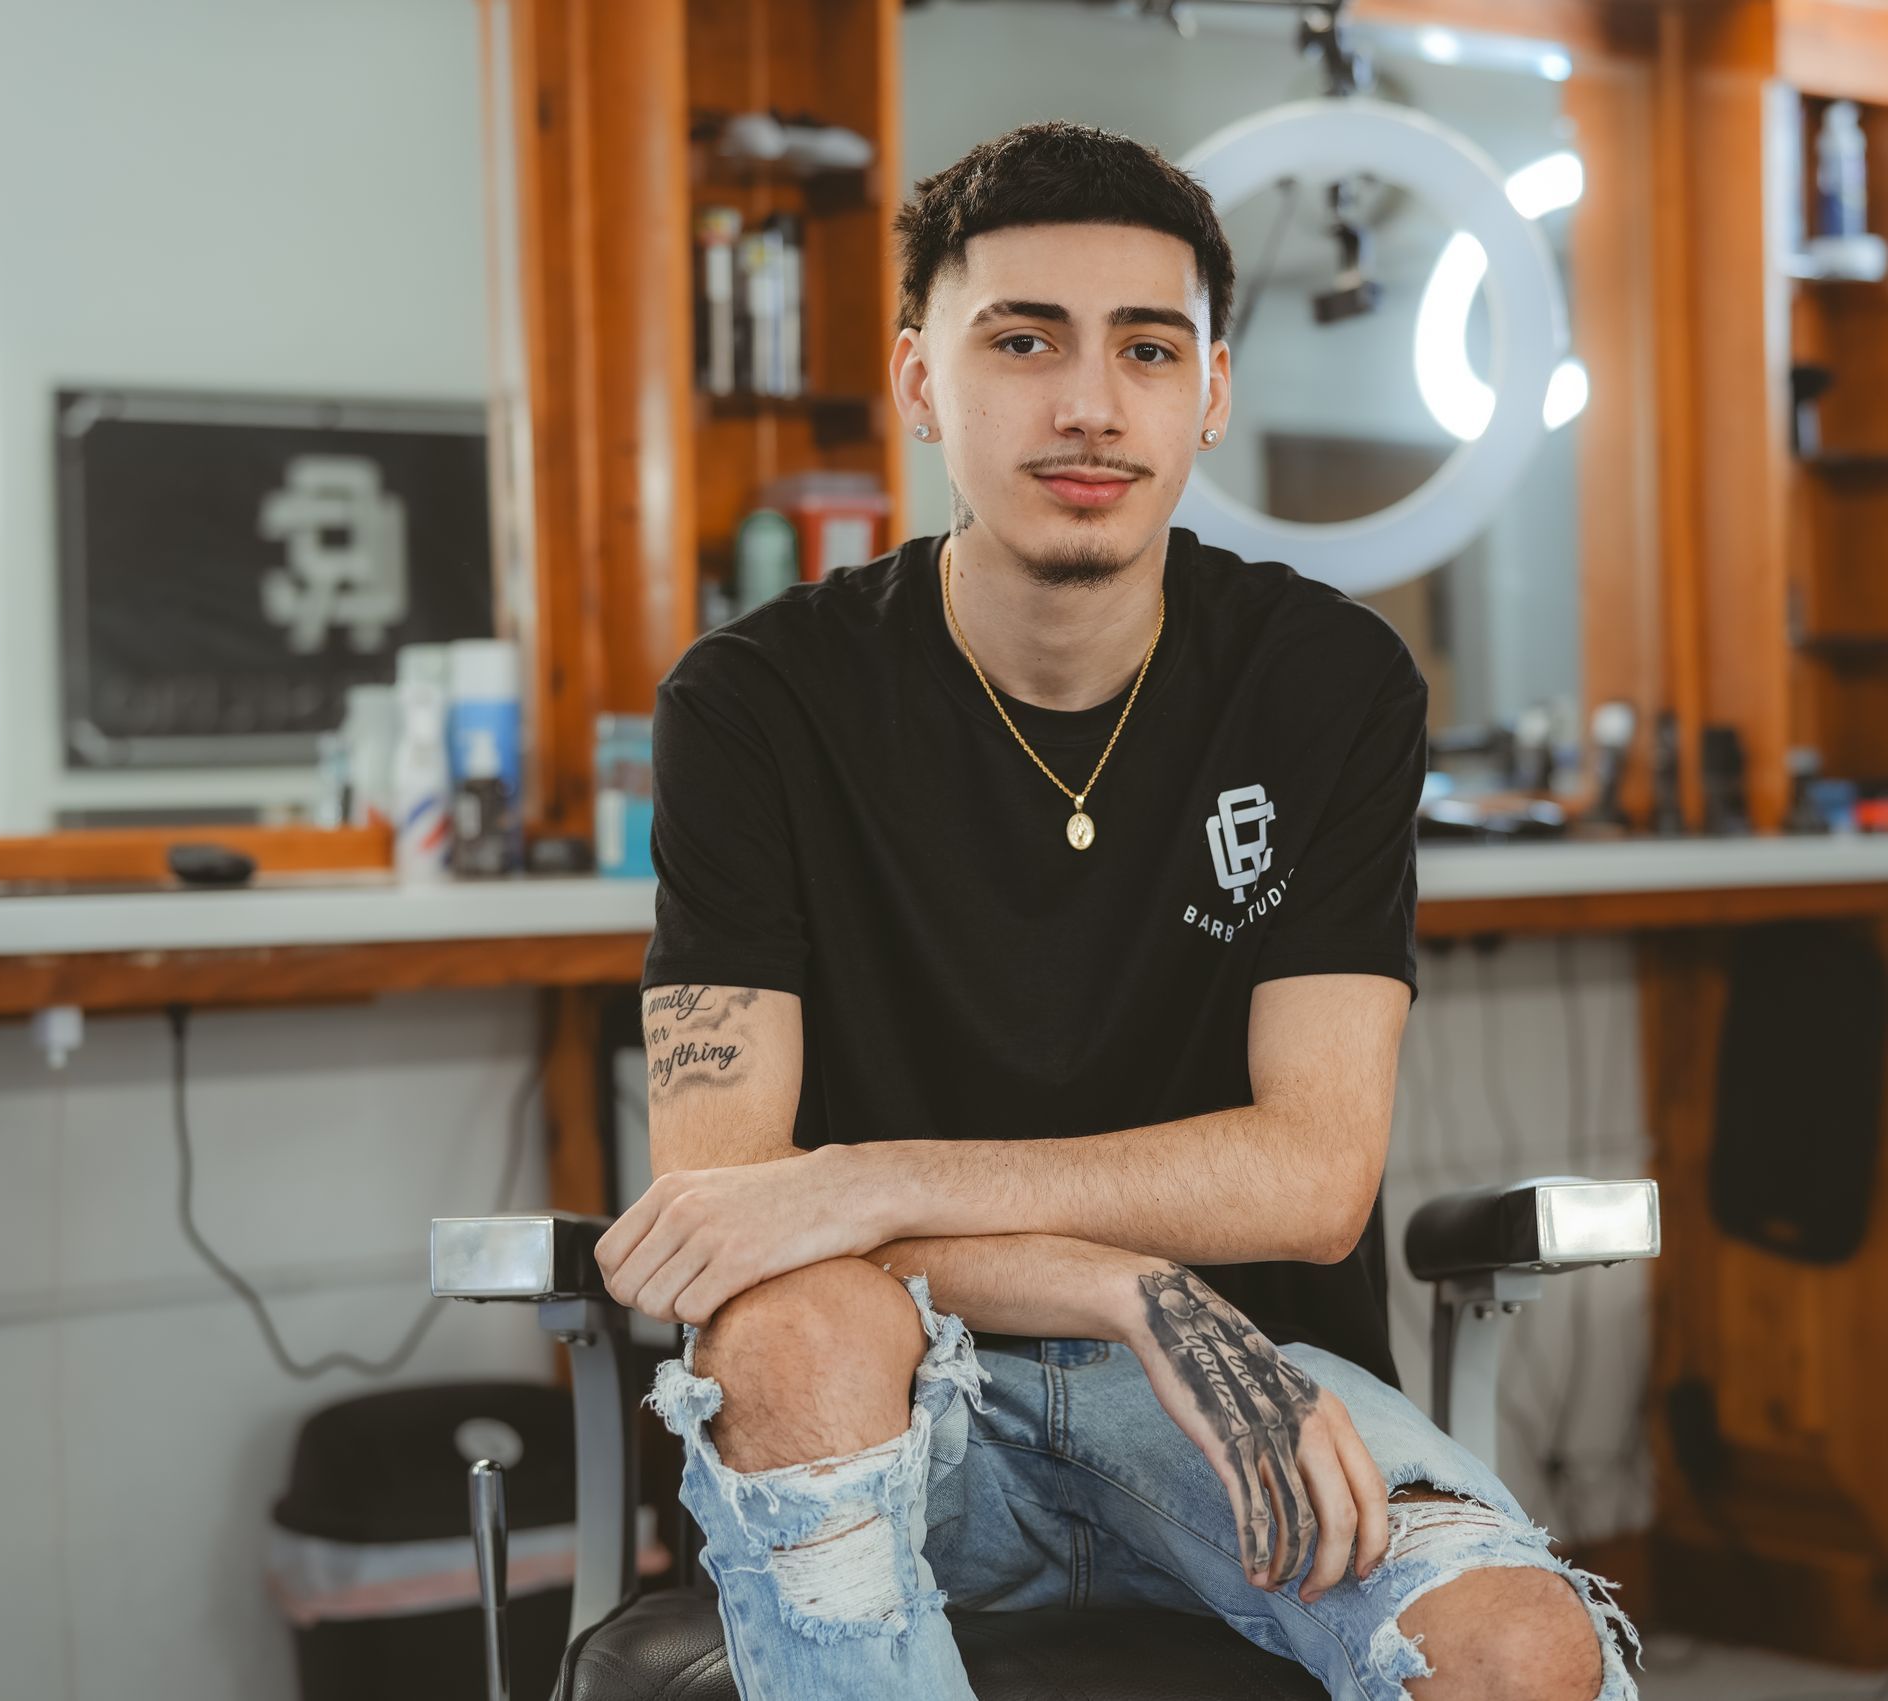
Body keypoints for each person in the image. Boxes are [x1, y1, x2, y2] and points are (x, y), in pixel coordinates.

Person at [595, 120, 1642, 1701]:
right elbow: (730, 1206)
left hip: (1246, 1387)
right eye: (1022, 340)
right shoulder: (754, 705)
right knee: (794, 1318)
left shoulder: (1325, 684)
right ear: (922, 382)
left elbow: (1308, 1177)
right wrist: (1115, 1275)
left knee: (1516, 1651)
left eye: (1148, 349)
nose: (1089, 402)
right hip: (903, 1383)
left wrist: (865, 1183)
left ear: (1209, 394)